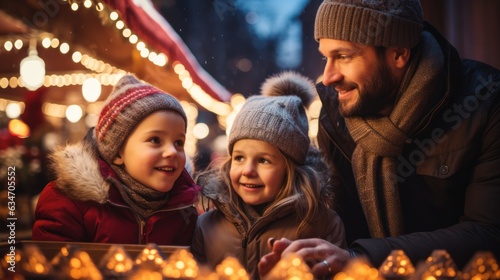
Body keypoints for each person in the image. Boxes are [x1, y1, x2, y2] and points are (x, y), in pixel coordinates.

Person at [258, 0, 500, 278]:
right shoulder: (335, 118)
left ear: (398, 54)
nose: (328, 77)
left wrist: (361, 258)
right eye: (326, 57)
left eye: (344, 56)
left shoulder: (486, 100)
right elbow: (341, 224)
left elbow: (489, 232)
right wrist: (306, 255)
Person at [190, 71, 346, 278]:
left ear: (290, 169)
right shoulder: (207, 225)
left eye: (263, 160)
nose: (247, 170)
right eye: (239, 158)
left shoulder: (322, 224)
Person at [32, 74, 201, 245]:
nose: (172, 152)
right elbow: (52, 265)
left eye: (179, 142)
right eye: (155, 140)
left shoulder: (182, 211)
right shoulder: (71, 203)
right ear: (118, 153)